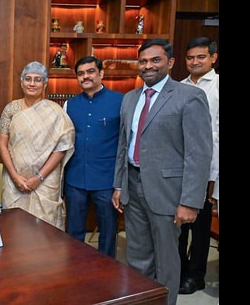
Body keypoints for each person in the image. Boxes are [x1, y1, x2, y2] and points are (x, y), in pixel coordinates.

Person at [111, 38, 212, 305]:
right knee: (137, 255)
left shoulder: (189, 96)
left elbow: (198, 154)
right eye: (143, 61)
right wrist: (119, 185)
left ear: (170, 62)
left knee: (167, 260)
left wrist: (190, 201)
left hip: (168, 192)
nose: (148, 66)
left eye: (155, 60)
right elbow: (124, 144)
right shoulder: (130, 98)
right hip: (133, 187)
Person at [0, 61, 75, 231]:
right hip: (14, 180)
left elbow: (62, 148)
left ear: (45, 84)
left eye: (38, 80)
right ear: (21, 82)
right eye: (28, 79)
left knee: (45, 229)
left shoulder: (56, 112)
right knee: (14, 227)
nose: (32, 83)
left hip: (46, 182)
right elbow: (2, 145)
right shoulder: (11, 109)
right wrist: (15, 177)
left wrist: (38, 177)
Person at [63, 56, 123, 257]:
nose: (85, 77)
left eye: (90, 72)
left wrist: (121, 184)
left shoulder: (120, 101)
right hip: (75, 178)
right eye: (80, 73)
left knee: (107, 231)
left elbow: (125, 142)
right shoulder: (69, 105)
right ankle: (75, 270)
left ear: (101, 74)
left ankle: (107, 273)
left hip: (106, 179)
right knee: (74, 231)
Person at [177, 37, 219, 295]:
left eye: (200, 57)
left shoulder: (217, 87)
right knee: (178, 225)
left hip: (209, 168)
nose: (195, 62)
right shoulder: (179, 87)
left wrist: (213, 175)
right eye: (190, 57)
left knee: (200, 227)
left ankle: (197, 275)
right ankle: (179, 270)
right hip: (179, 167)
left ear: (213, 58)